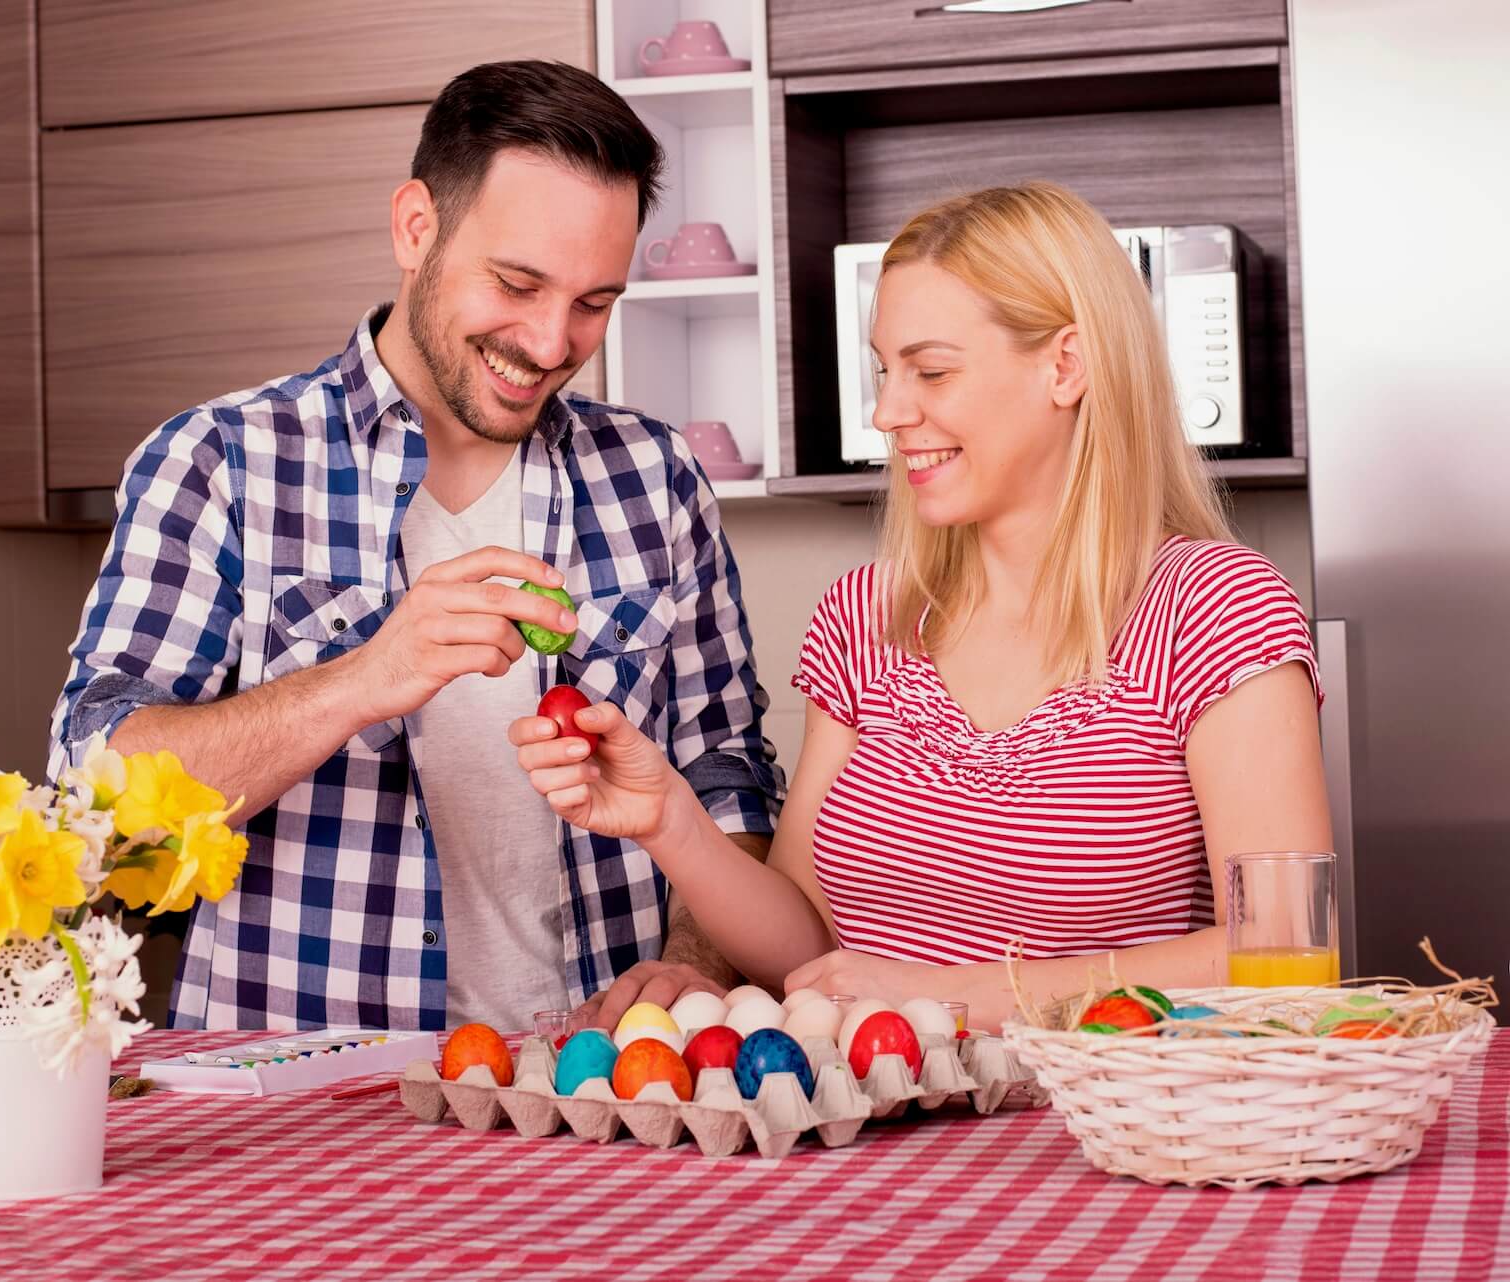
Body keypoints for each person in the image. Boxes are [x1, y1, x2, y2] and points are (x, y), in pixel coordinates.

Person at [48, 61, 785, 1032]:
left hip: (606, 1090)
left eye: (594, 302)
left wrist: (694, 962)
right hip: (306, 1112)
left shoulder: (655, 477)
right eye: (518, 283)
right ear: (415, 226)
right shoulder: (222, 463)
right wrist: (364, 676)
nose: (552, 340)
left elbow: (725, 774)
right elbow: (96, 803)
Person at [512, 182, 1331, 1030]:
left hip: (1109, 1139)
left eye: (931, 371)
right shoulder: (867, 617)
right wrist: (669, 820)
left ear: (1066, 366)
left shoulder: (1217, 609)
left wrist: (966, 998)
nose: (888, 413)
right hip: (883, 1143)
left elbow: (1289, 948)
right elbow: (806, 949)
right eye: (884, 371)